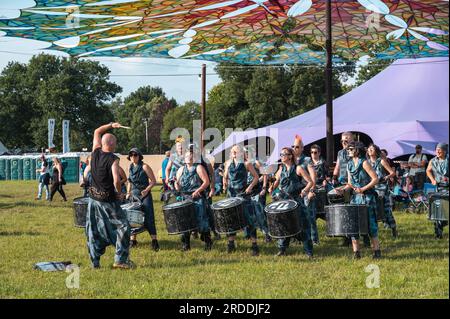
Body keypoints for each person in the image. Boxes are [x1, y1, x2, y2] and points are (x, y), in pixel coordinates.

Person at [85, 122, 133, 269]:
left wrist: (111, 125)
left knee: (93, 230)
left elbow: (97, 131)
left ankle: (95, 263)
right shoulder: (113, 159)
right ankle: (120, 259)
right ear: (112, 144)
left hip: (93, 200)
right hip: (108, 201)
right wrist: (119, 193)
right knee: (123, 227)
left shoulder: (95, 152)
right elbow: (117, 179)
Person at [337, 141, 381, 259]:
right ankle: (356, 253)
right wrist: (343, 190)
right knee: (353, 226)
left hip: (368, 198)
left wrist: (363, 189)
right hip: (355, 199)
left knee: (371, 225)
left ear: (357, 150)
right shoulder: (349, 164)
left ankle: (376, 251)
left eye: (351, 149)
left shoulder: (365, 163)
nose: (349, 151)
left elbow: (375, 179)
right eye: (348, 149)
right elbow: (350, 183)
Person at [269, 147, 315, 257]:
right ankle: (282, 249)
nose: (281, 156)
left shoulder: (298, 168)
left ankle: (309, 252)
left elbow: (310, 182)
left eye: (283, 154)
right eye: (281, 154)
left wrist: (304, 191)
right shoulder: (281, 169)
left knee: (304, 225)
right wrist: (272, 187)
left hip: (296, 200)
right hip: (284, 201)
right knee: (284, 225)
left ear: (290, 156)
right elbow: (277, 181)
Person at [223, 144, 260, 256]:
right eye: (233, 151)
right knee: (231, 219)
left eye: (237, 151)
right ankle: (231, 244)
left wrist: (249, 187)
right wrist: (225, 183)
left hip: (243, 194)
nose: (234, 153)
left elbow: (256, 177)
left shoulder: (246, 163)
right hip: (231, 195)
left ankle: (254, 245)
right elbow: (225, 176)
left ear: (241, 153)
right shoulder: (228, 163)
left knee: (249, 219)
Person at [175, 149, 212, 251]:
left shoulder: (199, 167)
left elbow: (206, 182)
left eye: (191, 156)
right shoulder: (181, 169)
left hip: (198, 198)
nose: (188, 158)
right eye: (187, 156)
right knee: (185, 221)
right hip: (185, 199)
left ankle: (208, 242)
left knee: (201, 221)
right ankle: (186, 245)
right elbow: (177, 185)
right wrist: (176, 185)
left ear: (194, 158)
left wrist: (198, 191)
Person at [126, 148, 160, 251]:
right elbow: (130, 182)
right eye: (131, 155)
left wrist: (146, 190)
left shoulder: (145, 166)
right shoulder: (130, 167)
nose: (133, 157)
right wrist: (128, 192)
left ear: (139, 156)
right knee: (133, 217)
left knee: (148, 216)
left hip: (144, 194)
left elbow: (153, 181)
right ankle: (133, 240)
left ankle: (154, 241)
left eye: (135, 155)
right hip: (134, 195)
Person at [367, 144, 398, 238]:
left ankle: (393, 229)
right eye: (369, 149)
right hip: (372, 187)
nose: (370, 150)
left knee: (386, 210)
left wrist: (386, 177)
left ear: (376, 151)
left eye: (372, 149)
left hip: (382, 188)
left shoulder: (381, 161)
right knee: (372, 209)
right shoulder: (366, 162)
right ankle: (373, 232)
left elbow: (392, 173)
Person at [331, 132, 355, 247]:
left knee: (352, 210)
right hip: (342, 183)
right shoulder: (340, 153)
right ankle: (346, 237)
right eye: (342, 140)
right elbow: (338, 166)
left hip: (353, 184)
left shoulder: (355, 151)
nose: (343, 142)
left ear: (351, 140)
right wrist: (334, 177)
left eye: (346, 140)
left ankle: (357, 237)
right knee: (343, 210)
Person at [244, 145, 270, 243]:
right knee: (247, 213)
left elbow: (265, 174)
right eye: (245, 152)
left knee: (260, 214)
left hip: (256, 191)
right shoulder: (243, 163)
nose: (246, 154)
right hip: (246, 192)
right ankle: (248, 234)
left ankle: (267, 234)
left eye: (248, 152)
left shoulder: (256, 162)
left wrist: (264, 188)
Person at [426, 143, 449, 239]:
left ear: (445, 151)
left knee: (447, 210)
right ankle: (438, 234)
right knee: (438, 210)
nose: (438, 152)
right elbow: (428, 170)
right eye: (436, 150)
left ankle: (444, 222)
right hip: (439, 188)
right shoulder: (432, 160)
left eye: (440, 150)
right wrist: (432, 180)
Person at [309, 144, 329, 244]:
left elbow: (327, 176)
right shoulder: (308, 163)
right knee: (311, 215)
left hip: (321, 188)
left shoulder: (322, 162)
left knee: (323, 212)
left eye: (315, 152)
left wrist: (325, 180)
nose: (313, 154)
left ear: (319, 153)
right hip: (311, 188)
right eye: (312, 152)